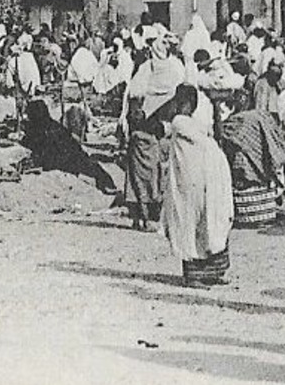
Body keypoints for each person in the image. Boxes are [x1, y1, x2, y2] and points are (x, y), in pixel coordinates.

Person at [162, 83, 235, 286]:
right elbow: (206, 143)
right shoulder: (179, 123)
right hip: (189, 184)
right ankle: (193, 275)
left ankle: (213, 272)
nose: (187, 106)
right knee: (191, 224)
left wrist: (215, 105)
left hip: (204, 182)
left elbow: (216, 136)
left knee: (209, 222)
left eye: (190, 103)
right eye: (184, 103)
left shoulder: (194, 123)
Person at [123, 34, 183, 230]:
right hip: (151, 133)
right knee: (148, 175)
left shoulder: (166, 69)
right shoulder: (152, 69)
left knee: (150, 176)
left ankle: (147, 215)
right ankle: (144, 216)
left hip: (155, 132)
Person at [19, 99, 117, 193]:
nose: (27, 118)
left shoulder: (44, 129)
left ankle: (106, 183)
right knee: (89, 165)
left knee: (86, 166)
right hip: (71, 154)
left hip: (65, 159)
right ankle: (107, 183)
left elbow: (37, 146)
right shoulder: (51, 125)